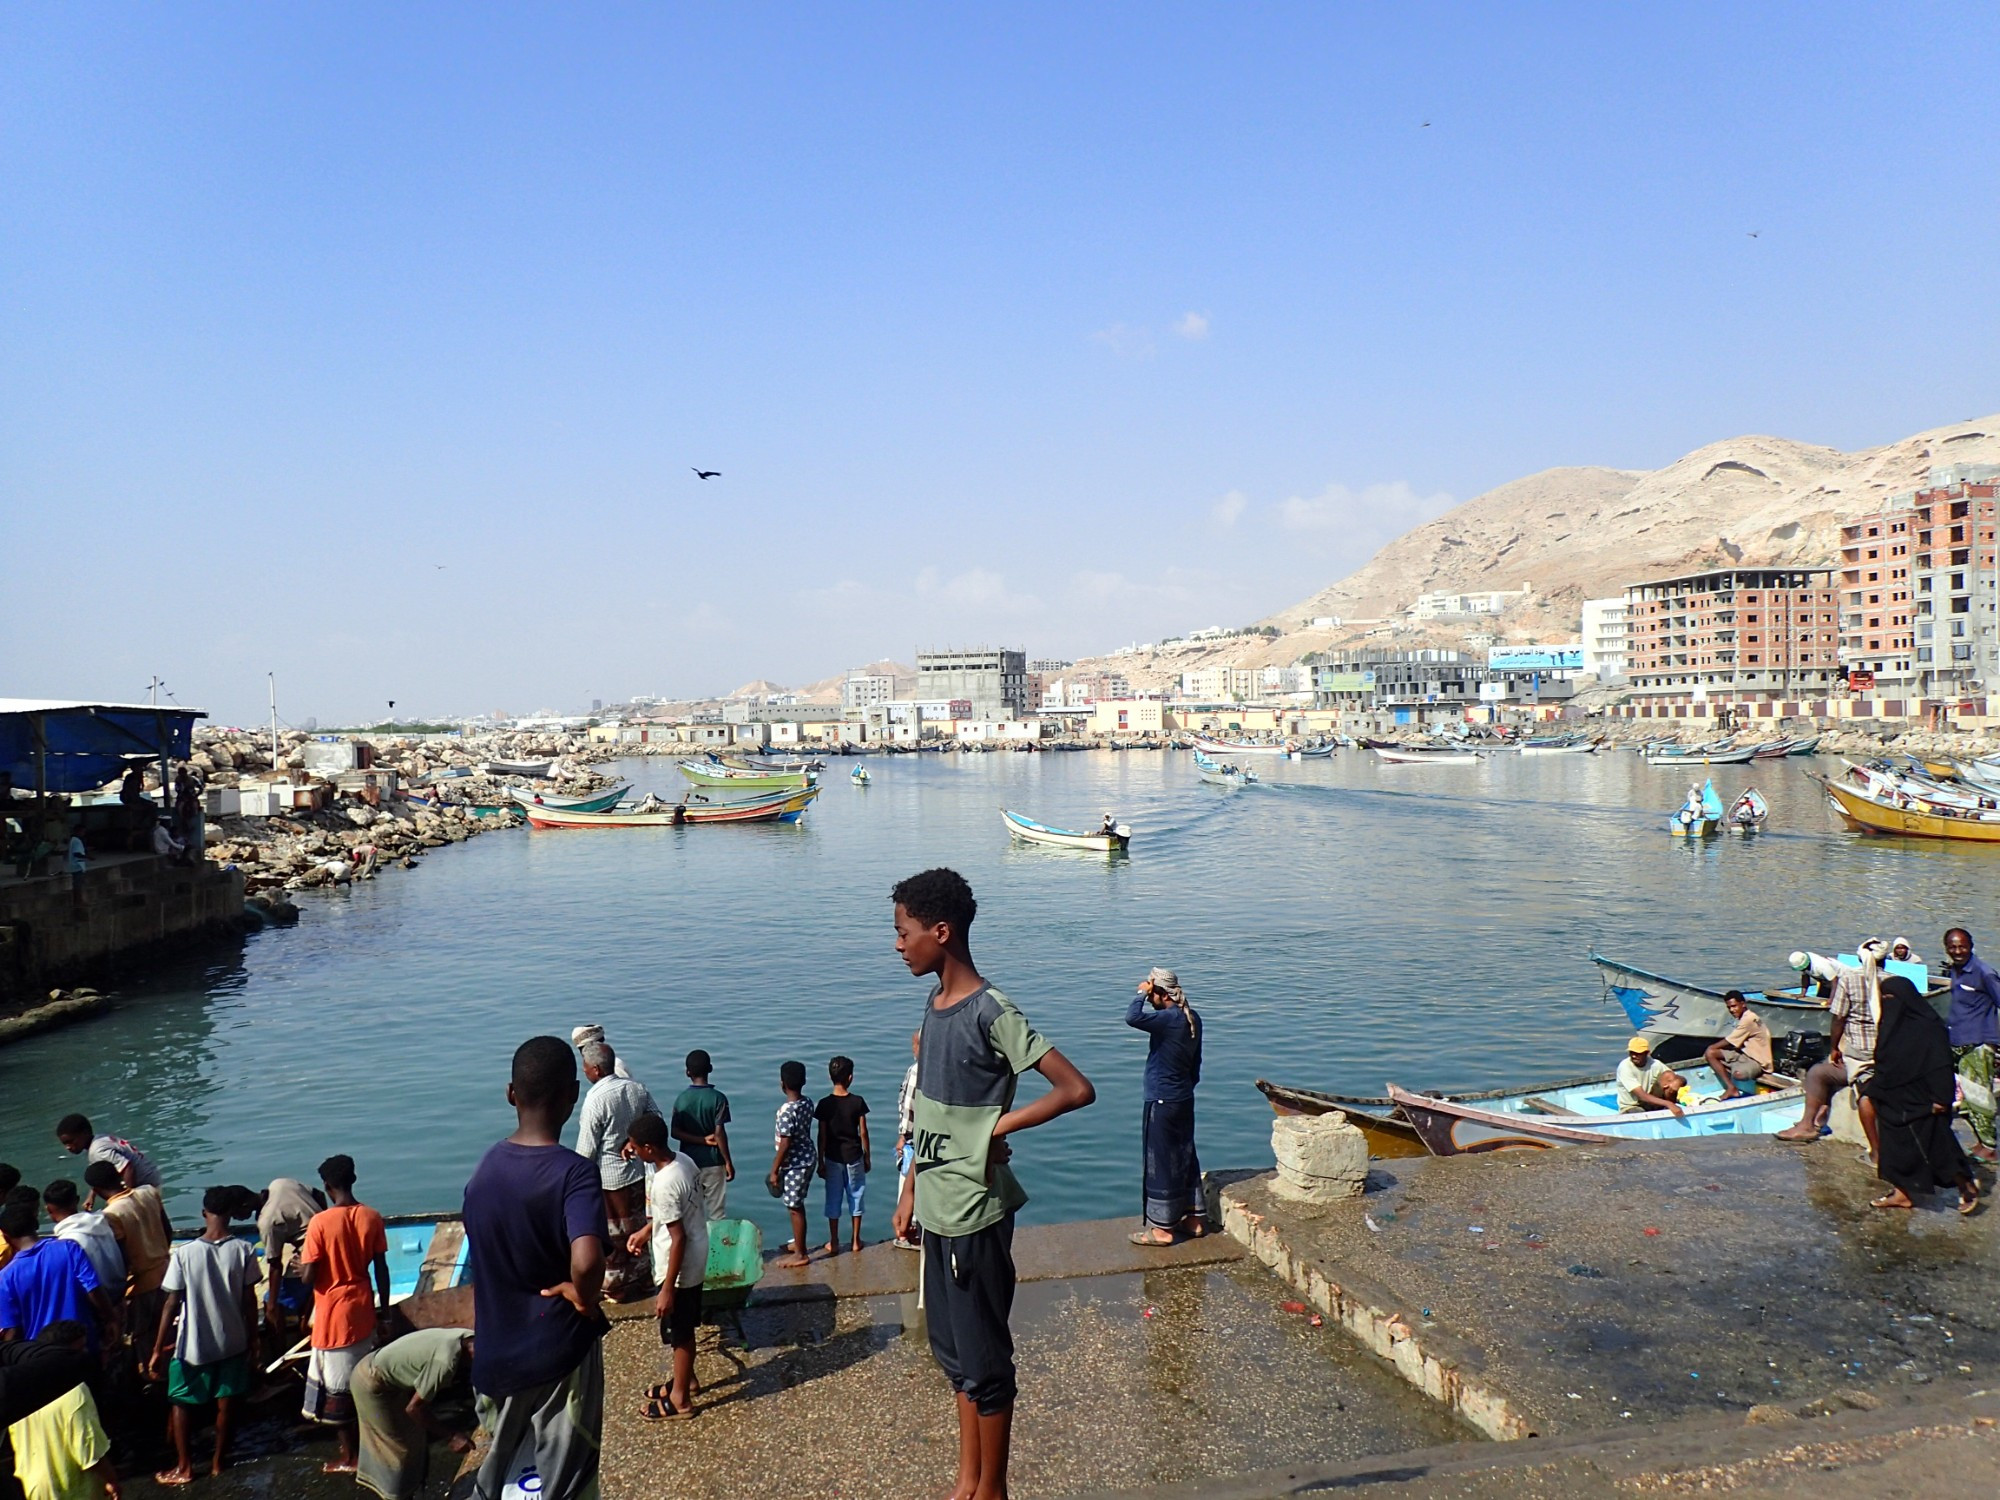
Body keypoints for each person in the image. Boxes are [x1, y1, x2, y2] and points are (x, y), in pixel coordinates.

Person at [887, 867, 1096, 1500]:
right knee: (955, 1362)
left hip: (975, 1216)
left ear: (940, 933)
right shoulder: (934, 1004)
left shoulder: (990, 1011)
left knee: (986, 1366)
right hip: (938, 1212)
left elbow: (1074, 1088)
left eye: (904, 933)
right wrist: (911, 1189)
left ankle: (993, 1489)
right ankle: (967, 1482)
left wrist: (994, 1128)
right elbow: (931, 1105)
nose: (897, 945)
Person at [462, 1036, 607, 1500]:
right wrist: (582, 1295)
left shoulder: (483, 1171)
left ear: (511, 1094)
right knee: (565, 1482)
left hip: (494, 1359)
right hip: (557, 1355)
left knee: (502, 1477)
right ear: (572, 1096)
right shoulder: (574, 1173)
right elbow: (587, 1258)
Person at [147, 1186, 261, 1487]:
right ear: (230, 1215)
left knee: (181, 1402)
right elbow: (250, 1301)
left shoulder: (184, 1254)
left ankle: (184, 1467)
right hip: (233, 1339)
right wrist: (254, 1337)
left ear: (204, 1213)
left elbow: (171, 1303)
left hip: (193, 1344)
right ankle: (217, 1463)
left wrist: (158, 1348)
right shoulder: (244, 1250)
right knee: (227, 1402)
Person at [296, 1154, 389, 1475]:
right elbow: (382, 1269)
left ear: (326, 1186)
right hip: (363, 1308)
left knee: (339, 1395)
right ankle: (367, 1447)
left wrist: (299, 1267)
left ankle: (350, 1458)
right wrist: (385, 1312)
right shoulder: (372, 1216)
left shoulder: (320, 1223)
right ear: (354, 1179)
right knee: (363, 1383)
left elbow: (309, 1277)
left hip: (334, 1316)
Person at [1864, 976, 1980, 1214]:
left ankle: (1965, 1185)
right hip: (1893, 1096)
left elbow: (1940, 1065)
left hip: (1924, 1098)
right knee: (1895, 1148)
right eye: (1884, 998)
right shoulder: (1890, 1025)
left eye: (1892, 998)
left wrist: (1941, 1098)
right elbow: (1885, 1060)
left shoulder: (1929, 1027)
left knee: (1937, 1145)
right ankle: (1902, 1193)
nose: (1888, 1003)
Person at [623, 1113, 706, 1420]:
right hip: (697, 1253)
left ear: (648, 1148)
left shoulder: (663, 1183)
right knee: (683, 1329)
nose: (632, 1151)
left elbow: (677, 1236)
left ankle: (680, 1400)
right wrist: (647, 1232)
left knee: (681, 1333)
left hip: (680, 1268)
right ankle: (687, 1379)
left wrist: (667, 1288)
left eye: (635, 1146)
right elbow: (680, 1215)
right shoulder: (684, 1161)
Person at [1778, 941, 1886, 1150]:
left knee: (1817, 1073)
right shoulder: (1897, 982)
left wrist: (1834, 1047)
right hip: (1887, 1056)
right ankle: (1820, 1119)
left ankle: (1808, 1125)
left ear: (1860, 959)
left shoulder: (1849, 979)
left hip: (1864, 1060)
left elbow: (1838, 1018)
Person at [572, 1041, 657, 1302]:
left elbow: (586, 1150)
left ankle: (616, 1287)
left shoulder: (595, 1100)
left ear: (596, 1070)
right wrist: (633, 1141)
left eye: (586, 1068)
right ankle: (643, 1279)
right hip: (638, 1172)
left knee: (613, 1234)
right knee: (639, 1226)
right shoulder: (636, 1089)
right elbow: (655, 1119)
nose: (584, 1072)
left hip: (609, 1179)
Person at [1127, 967, 1205, 1245]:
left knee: (1159, 1159)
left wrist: (1139, 993)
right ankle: (1193, 1218)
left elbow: (1132, 1018)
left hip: (1162, 1099)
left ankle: (1161, 1229)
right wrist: (1184, 1088)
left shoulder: (1167, 1019)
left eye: (1152, 993)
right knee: (1185, 1154)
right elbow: (1196, 1066)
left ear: (1160, 992)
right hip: (1183, 1097)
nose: (1150, 999)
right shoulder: (1191, 1017)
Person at [351, 1327, 474, 1500]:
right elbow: (414, 1408)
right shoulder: (445, 1363)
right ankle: (395, 1496)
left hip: (388, 1376)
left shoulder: (467, 1335)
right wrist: (451, 1436)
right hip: (370, 1382)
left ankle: (412, 1492)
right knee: (397, 1449)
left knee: (416, 1437)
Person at [5, 1322, 119, 1500]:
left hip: (34, 1487)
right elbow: (89, 1452)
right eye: (80, 1349)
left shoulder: (22, 1392)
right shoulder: (76, 1391)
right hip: (72, 1488)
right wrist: (111, 1479)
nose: (85, 1354)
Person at [0, 1203, 114, 1353]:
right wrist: (111, 1319)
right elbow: (93, 1290)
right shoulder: (69, 1248)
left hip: (41, 1354)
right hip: (83, 1343)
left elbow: (12, 1330)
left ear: (6, 1237)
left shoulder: (6, 1277)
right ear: (36, 1224)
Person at [81, 1162, 168, 1359]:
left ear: (95, 1190)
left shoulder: (111, 1214)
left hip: (141, 1284)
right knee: (161, 1327)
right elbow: (167, 1229)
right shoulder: (148, 1192)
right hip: (165, 1271)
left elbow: (122, 1257)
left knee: (140, 1335)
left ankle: (147, 1376)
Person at [1943, 928, 2000, 1163]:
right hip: (1957, 1040)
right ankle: (1981, 1141)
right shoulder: (1955, 970)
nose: (1958, 951)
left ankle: (1990, 1147)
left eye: (1962, 946)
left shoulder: (1984, 973)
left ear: (1971, 946)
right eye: (1953, 947)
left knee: (1980, 1097)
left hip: (1978, 1043)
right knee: (1966, 1099)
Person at [250, 1177, 322, 1333]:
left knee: (272, 1300)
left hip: (312, 1252)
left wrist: (271, 1306)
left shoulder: (267, 1222)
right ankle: (306, 1307)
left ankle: (280, 1347)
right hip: (326, 1237)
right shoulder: (280, 1183)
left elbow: (275, 1265)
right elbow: (319, 1194)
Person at [814, 1057, 870, 1256]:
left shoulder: (824, 1104)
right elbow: (863, 1132)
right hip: (854, 1156)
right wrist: (867, 1156)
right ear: (850, 1078)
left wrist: (820, 1161)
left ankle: (835, 1241)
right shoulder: (858, 1102)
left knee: (833, 1198)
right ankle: (855, 1240)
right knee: (856, 1196)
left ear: (830, 1077)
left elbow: (822, 1136)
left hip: (832, 1157)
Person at [669, 1051, 733, 1221]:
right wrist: (727, 1161)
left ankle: (694, 1246)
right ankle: (716, 1247)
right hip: (713, 1162)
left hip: (688, 1162)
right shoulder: (718, 1099)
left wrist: (699, 1140)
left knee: (691, 1211)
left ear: (687, 1072)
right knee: (716, 1212)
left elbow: (674, 1132)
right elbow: (719, 1133)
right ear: (710, 1069)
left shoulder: (681, 1100)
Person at [766, 1063, 816, 1270]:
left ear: (782, 1084)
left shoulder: (786, 1112)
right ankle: (799, 1242)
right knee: (797, 1203)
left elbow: (785, 1143)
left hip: (796, 1164)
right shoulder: (807, 1103)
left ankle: (801, 1254)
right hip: (807, 1157)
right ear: (803, 1082)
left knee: (794, 1207)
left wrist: (774, 1170)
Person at [39, 1183, 122, 1296]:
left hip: (100, 1305)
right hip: (120, 1292)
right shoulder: (103, 1222)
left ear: (48, 1209)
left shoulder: (67, 1243)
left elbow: (89, 1286)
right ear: (77, 1200)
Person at [54, 1118, 162, 1201]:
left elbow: (127, 1168)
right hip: (152, 1177)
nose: (68, 1147)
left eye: (71, 1141)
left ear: (85, 1133)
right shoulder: (100, 1139)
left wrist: (127, 1199)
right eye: (65, 1144)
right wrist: (91, 1197)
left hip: (145, 1184)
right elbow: (100, 1173)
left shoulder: (98, 1151)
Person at [1702, 991, 1772, 1100]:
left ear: (1743, 1004)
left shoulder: (1749, 1019)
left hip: (1757, 1060)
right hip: (1743, 1054)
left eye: (1734, 1006)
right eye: (1729, 1007)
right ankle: (1731, 1088)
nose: (1731, 1010)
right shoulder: (1743, 1017)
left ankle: (1735, 1071)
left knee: (1738, 1074)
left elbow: (1730, 1041)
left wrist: (1713, 1047)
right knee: (1711, 1053)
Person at [892, 1030, 922, 1251]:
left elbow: (908, 1106)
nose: (912, 1049)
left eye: (914, 1045)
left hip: (914, 1140)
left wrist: (903, 1136)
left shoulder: (916, 1071)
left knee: (908, 1185)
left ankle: (904, 1233)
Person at [1615, 1037, 1684, 1115]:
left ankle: (1672, 1107)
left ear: (1646, 1053)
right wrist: (1668, 1104)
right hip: (1631, 1106)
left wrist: (1675, 1084)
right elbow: (1642, 1096)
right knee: (1640, 1114)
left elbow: (1679, 1078)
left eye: (1638, 1053)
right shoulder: (1625, 1067)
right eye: (1632, 1053)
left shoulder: (1655, 1064)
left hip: (1649, 1102)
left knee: (1671, 1079)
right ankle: (1669, 1108)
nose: (1634, 1056)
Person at [64, 826, 85, 915]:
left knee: (77, 884)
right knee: (77, 885)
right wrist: (88, 857)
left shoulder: (73, 840)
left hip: (76, 865)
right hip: (77, 865)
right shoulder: (76, 840)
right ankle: (78, 901)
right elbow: (77, 853)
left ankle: (78, 900)